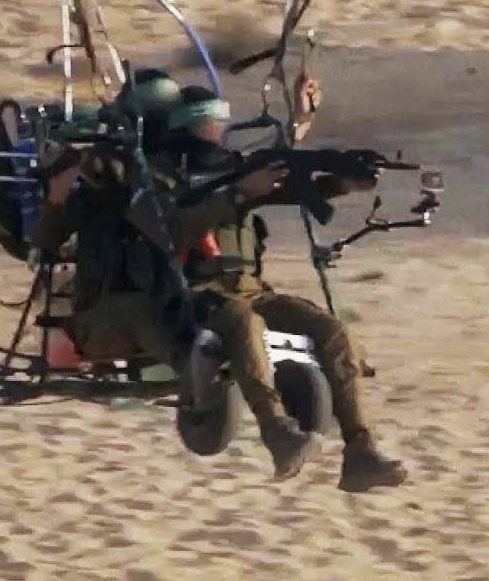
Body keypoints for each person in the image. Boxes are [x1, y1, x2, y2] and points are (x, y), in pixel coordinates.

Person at [27, 69, 323, 482]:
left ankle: (259, 411)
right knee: (168, 326)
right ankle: (217, 386)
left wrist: (296, 127)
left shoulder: (165, 176)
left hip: (167, 303)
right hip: (112, 314)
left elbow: (237, 172)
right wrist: (58, 200)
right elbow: (42, 247)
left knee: (222, 320)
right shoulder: (101, 179)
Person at [160, 83, 409, 493]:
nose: (217, 128)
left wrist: (342, 183)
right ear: (188, 125)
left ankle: (360, 450)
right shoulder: (161, 175)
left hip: (251, 288)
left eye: (220, 119)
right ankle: (277, 432)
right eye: (209, 121)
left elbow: (290, 189)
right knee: (245, 324)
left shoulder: (235, 167)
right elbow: (171, 229)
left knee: (332, 331)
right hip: (199, 294)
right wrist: (238, 192)